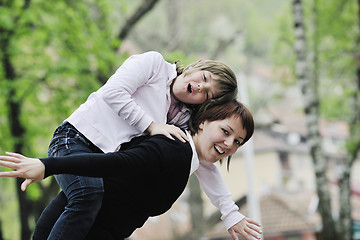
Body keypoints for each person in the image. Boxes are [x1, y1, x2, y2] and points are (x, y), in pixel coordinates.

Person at [30, 51, 242, 240]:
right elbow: (113, 92)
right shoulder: (154, 65)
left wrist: (229, 212)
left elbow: (201, 160)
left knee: (72, 202)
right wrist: (151, 126)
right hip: (76, 139)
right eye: (204, 78)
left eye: (206, 94)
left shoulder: (181, 120)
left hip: (100, 163)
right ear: (196, 66)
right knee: (87, 195)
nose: (199, 86)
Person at [0, 100, 262, 240]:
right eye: (226, 132)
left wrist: (230, 213)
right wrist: (47, 165)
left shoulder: (188, 157)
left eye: (237, 142)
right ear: (202, 123)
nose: (229, 144)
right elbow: (118, 162)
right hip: (78, 230)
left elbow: (209, 173)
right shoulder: (174, 149)